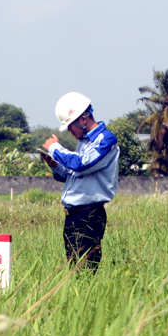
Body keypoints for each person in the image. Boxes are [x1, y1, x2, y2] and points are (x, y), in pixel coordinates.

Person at [40, 92, 119, 272]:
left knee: (84, 271)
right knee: (74, 269)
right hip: (74, 216)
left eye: (70, 126)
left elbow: (82, 164)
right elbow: (69, 175)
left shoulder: (105, 140)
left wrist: (55, 147)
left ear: (82, 119)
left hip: (89, 214)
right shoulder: (83, 142)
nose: (70, 131)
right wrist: (54, 165)